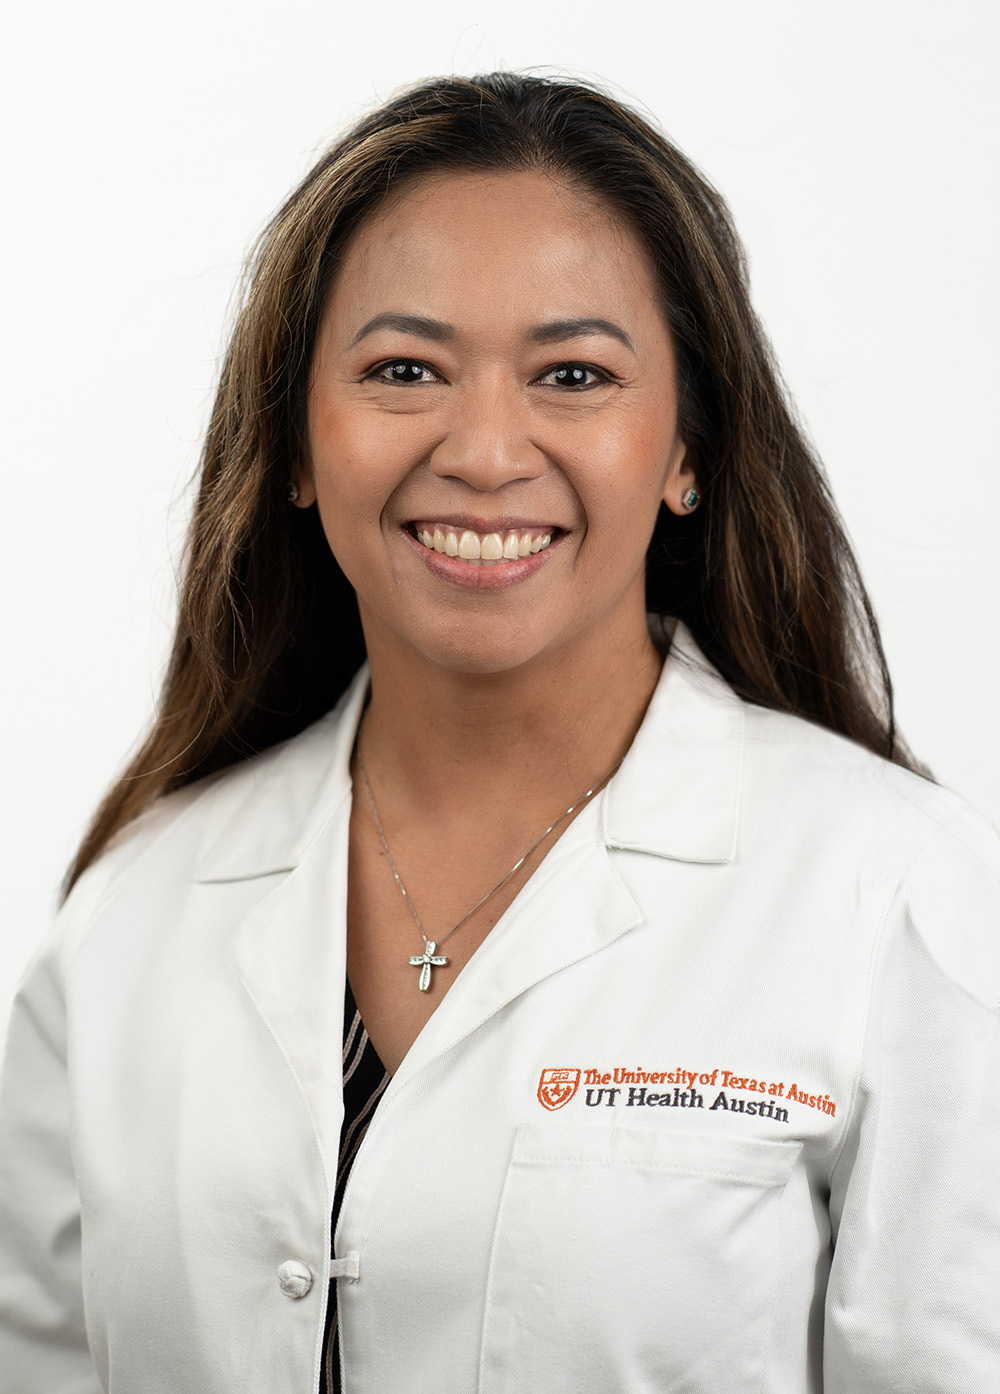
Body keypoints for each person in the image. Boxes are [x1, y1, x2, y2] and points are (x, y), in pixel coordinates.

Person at [0, 70, 997, 1394]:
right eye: (403, 369)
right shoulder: (136, 911)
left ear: (687, 447)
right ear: (300, 442)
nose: (482, 448)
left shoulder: (895, 896)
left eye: (573, 374)